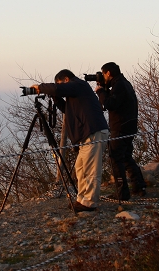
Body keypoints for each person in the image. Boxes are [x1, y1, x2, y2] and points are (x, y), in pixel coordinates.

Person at [31, 70, 109, 213]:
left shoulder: (79, 85)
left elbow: (59, 89)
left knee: (91, 170)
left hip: (93, 133)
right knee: (80, 168)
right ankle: (82, 199)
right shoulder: (77, 94)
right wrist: (55, 97)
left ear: (66, 79)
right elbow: (67, 109)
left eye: (59, 84)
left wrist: (40, 87)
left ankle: (90, 202)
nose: (60, 88)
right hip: (88, 135)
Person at [95, 62, 146, 201]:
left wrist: (100, 92)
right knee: (126, 156)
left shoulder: (119, 86)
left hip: (120, 127)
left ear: (108, 73)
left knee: (116, 158)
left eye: (103, 74)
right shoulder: (125, 83)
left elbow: (110, 104)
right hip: (129, 126)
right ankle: (139, 186)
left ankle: (122, 193)